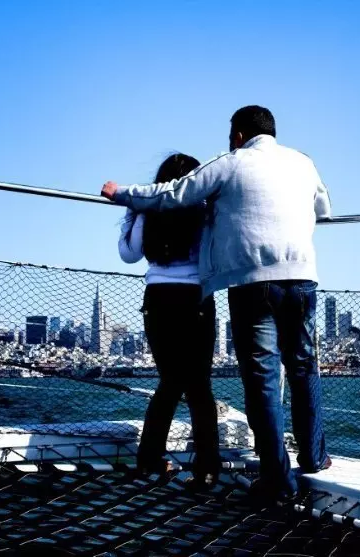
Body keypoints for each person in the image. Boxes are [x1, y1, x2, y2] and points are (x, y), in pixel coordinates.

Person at [102, 106, 332, 499]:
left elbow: (165, 206)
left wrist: (125, 196)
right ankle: (308, 457)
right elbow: (324, 211)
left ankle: (275, 478)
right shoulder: (303, 163)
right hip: (286, 280)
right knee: (299, 367)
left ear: (239, 136)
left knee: (254, 379)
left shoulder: (228, 164)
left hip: (229, 286)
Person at [118, 153, 221, 489]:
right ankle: (207, 469)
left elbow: (129, 254)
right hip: (195, 297)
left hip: (158, 298)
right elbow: (213, 255)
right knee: (199, 386)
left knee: (170, 382)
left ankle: (149, 459)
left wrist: (133, 211)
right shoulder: (204, 210)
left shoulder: (147, 208)